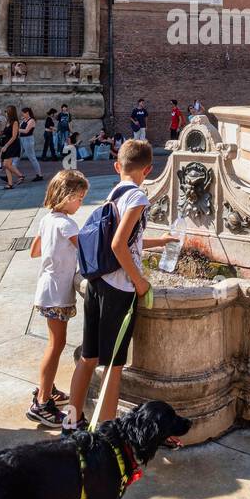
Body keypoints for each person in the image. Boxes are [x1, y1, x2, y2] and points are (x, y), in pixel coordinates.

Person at [67, 138, 176, 429]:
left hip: (96, 283)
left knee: (88, 357)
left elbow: (126, 239)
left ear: (118, 166)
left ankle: (72, 420)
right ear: (149, 169)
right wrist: (140, 282)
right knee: (114, 365)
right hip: (119, 289)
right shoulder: (138, 197)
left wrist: (159, 241)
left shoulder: (115, 193)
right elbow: (118, 245)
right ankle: (107, 430)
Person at [26, 168, 89, 428]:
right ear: (67, 196)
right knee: (56, 344)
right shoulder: (66, 224)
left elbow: (34, 251)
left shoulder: (48, 219)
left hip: (46, 287)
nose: (80, 203)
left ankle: (48, 389)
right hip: (57, 292)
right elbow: (87, 249)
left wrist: (55, 254)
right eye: (80, 199)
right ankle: (42, 402)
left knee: (54, 343)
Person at [0, 105, 24, 189]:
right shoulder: (7, 122)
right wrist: (0, 133)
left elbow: (14, 136)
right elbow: (6, 133)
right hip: (7, 144)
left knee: (6, 164)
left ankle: (20, 176)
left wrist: (6, 145)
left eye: (6, 111)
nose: (5, 113)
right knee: (6, 165)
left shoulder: (15, 122)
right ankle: (10, 184)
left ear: (10, 112)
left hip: (12, 144)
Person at [18, 107, 43, 182]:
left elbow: (26, 131)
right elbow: (20, 128)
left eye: (23, 113)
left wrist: (16, 129)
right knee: (17, 156)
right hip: (22, 139)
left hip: (28, 139)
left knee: (32, 157)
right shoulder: (24, 120)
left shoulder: (31, 120)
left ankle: (39, 175)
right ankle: (10, 173)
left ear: (27, 113)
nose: (22, 114)